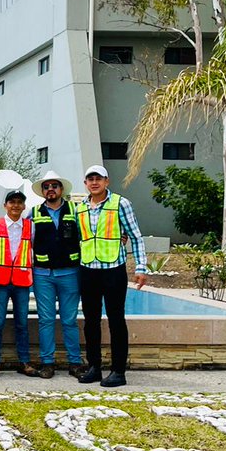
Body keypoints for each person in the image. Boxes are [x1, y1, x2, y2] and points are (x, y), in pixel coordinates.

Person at [78, 165, 148, 388]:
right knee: (91, 321)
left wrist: (141, 267)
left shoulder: (120, 203)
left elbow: (135, 236)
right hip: (88, 269)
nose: (94, 182)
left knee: (117, 320)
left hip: (113, 269)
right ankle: (94, 367)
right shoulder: (80, 207)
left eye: (99, 178)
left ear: (107, 181)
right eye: (90, 179)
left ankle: (118, 371)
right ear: (85, 183)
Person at [30, 170, 85, 379]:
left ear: (61, 189)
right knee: (46, 319)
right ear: (42, 191)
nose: (50, 189)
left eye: (54, 185)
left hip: (70, 272)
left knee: (69, 320)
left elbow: (89, 233)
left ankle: (75, 362)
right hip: (43, 274)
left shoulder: (75, 210)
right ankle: (47, 363)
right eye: (46, 186)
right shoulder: (33, 212)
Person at [0, 191, 36, 377]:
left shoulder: (31, 227)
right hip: (0, 281)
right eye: (12, 202)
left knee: (22, 323)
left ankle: (24, 361)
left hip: (21, 281)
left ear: (24, 206)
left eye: (19, 202)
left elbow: (32, 251)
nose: (15, 205)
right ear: (5, 205)